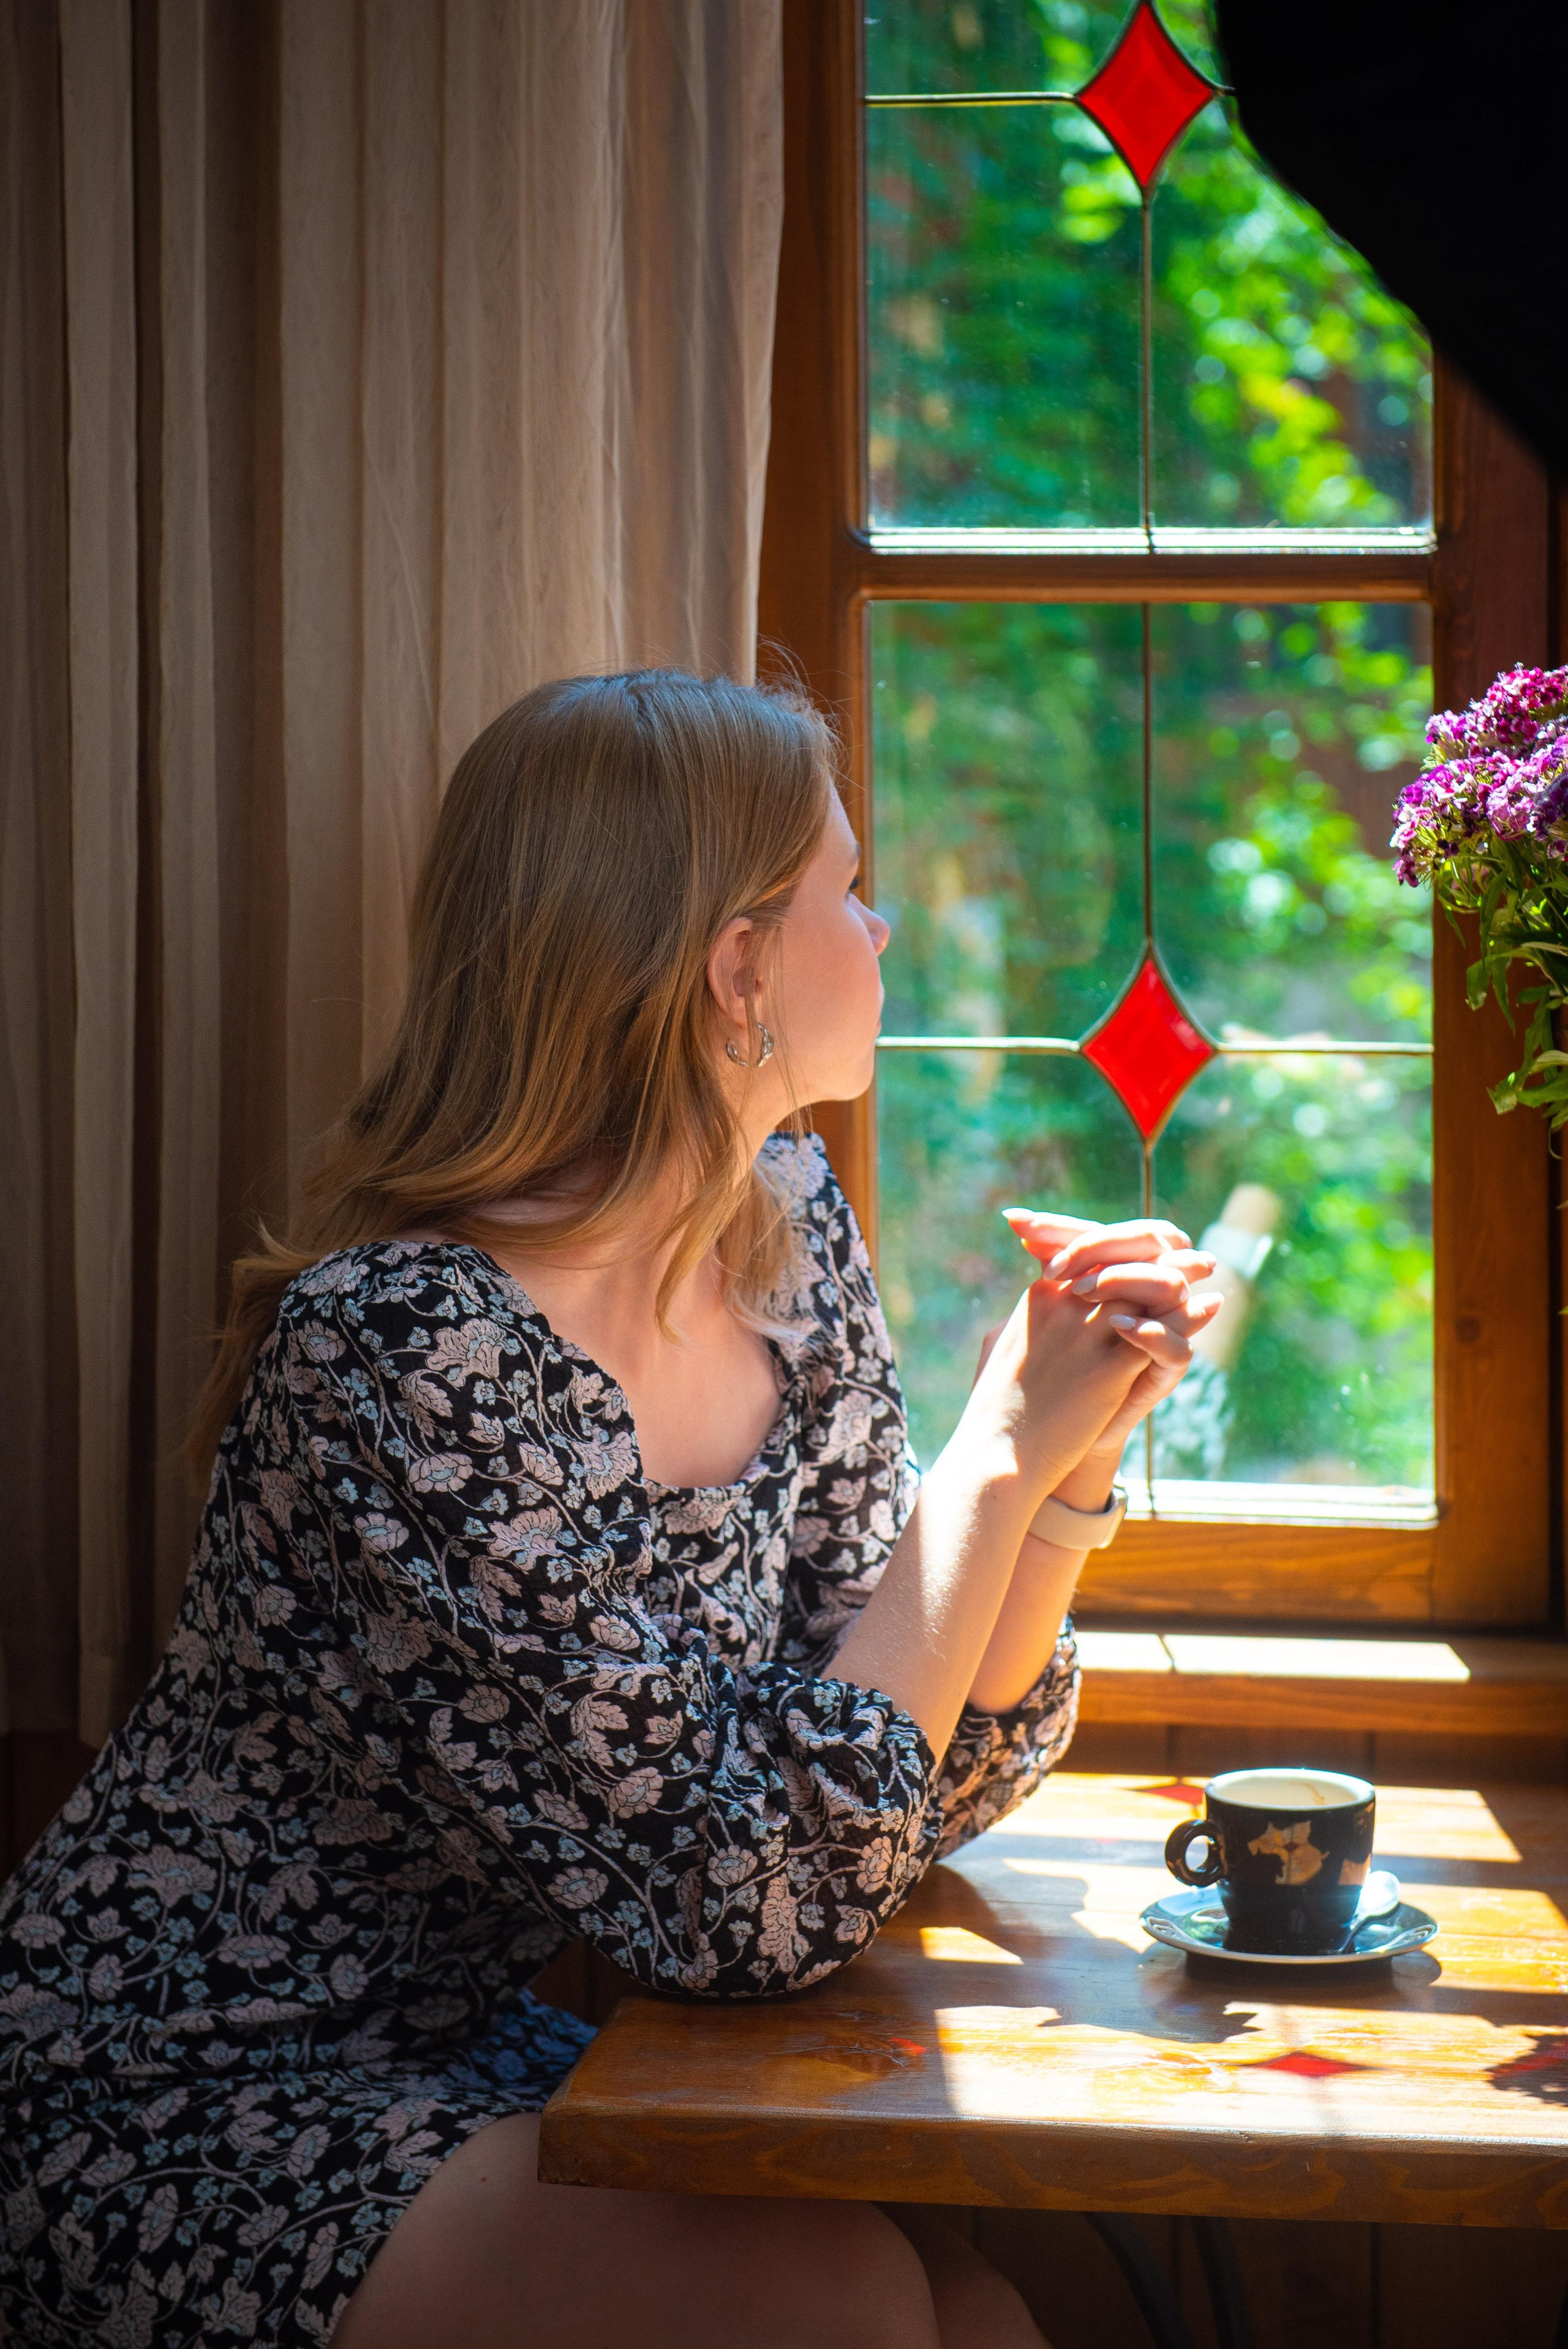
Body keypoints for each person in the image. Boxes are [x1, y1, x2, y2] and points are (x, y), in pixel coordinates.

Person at [0, 672, 1218, 2349]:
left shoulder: (781, 1227)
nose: (882, 933)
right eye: (843, 894)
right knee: (850, 2301)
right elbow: (741, 1899)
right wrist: (998, 1449)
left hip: (461, 2039)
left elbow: (906, 1755)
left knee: (984, 2306)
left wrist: (1071, 1451)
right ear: (736, 971)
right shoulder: (408, 1351)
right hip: (193, 2079)